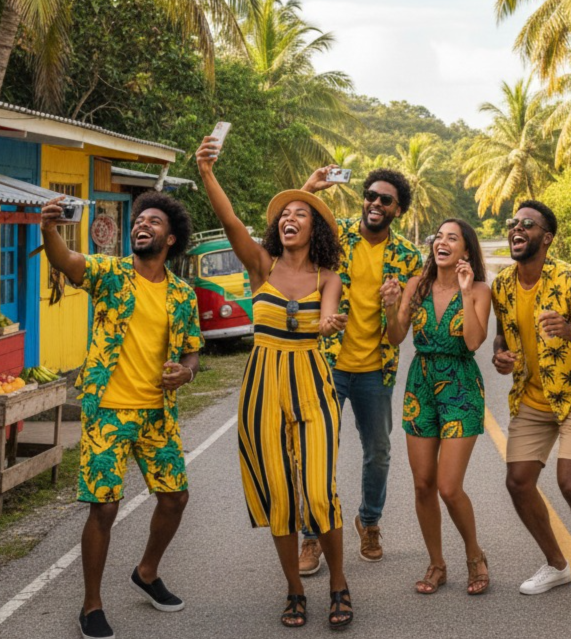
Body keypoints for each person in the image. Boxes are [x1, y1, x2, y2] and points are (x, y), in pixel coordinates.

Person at [196, 136, 353, 629]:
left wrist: (328, 324)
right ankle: (293, 589)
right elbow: (229, 222)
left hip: (311, 380)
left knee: (320, 493)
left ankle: (338, 583)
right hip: (263, 385)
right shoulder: (260, 266)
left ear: (315, 228)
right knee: (280, 497)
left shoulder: (329, 276)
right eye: (283, 214)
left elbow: (329, 315)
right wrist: (206, 172)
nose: (289, 218)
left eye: (300, 213)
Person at [40, 192, 200, 639]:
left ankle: (146, 572)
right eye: (138, 220)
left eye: (152, 221)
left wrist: (183, 376)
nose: (141, 225)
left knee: (175, 498)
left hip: (156, 415)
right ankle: (91, 606)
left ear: (170, 237)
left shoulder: (182, 295)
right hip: (108, 410)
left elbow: (192, 355)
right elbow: (68, 261)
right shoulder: (110, 274)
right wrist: (50, 229)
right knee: (105, 506)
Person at [297, 166, 423, 572]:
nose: (374, 203)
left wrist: (392, 304)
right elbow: (290, 225)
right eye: (370, 195)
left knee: (379, 452)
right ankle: (311, 537)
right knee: (318, 451)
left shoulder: (408, 258)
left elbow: (398, 335)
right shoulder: (337, 234)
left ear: (397, 209)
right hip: (328, 363)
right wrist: (310, 188)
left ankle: (369, 523)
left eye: (385, 199)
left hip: (376, 370)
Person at [491, 200, 571, 607]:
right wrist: (500, 357)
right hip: (532, 395)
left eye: (528, 223)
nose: (517, 228)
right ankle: (557, 564)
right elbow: (501, 338)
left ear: (547, 237)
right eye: (513, 223)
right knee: (518, 481)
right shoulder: (503, 284)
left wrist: (568, 330)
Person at [384, 219, 492, 596]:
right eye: (439, 237)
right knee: (422, 483)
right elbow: (396, 336)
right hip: (421, 386)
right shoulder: (417, 286)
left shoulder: (478, 290)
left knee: (448, 486)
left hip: (460, 386)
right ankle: (436, 563)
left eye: (452, 238)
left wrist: (464, 292)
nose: (442, 243)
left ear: (465, 251)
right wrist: (390, 305)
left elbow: (474, 342)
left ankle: (475, 555)